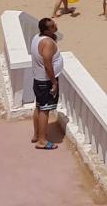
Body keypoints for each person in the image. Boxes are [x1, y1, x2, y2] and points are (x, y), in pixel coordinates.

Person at [30, 17, 64, 149]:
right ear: (46, 30)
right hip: (46, 81)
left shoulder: (36, 37)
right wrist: (54, 82)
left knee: (39, 107)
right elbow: (47, 64)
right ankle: (42, 141)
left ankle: (37, 135)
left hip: (38, 79)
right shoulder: (48, 43)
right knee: (45, 110)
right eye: (52, 26)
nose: (55, 26)